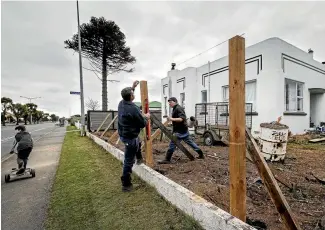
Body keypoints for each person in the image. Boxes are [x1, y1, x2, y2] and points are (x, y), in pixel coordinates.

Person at [118, 80, 150, 192]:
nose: (133, 94)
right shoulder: (133, 108)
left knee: (138, 141)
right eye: (132, 93)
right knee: (128, 160)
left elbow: (128, 95)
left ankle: (139, 158)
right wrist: (146, 116)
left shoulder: (121, 103)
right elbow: (142, 124)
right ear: (131, 97)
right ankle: (126, 185)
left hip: (124, 133)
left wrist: (133, 86)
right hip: (129, 137)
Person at [158, 97, 204, 164]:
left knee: (172, 145)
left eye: (170, 102)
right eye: (169, 103)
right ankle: (201, 154)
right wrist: (172, 121)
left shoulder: (178, 108)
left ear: (175, 102)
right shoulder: (175, 108)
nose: (169, 104)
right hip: (183, 130)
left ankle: (167, 159)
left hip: (179, 132)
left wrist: (171, 119)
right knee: (191, 143)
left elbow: (181, 119)